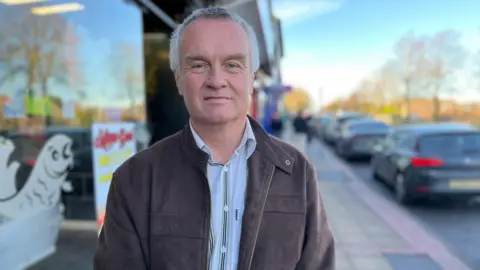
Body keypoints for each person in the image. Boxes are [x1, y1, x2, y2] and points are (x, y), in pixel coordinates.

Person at [94, 6, 334, 270]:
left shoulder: (297, 173)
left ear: (251, 76)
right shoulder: (134, 179)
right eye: (199, 65)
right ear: (178, 79)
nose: (217, 80)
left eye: (232, 64)